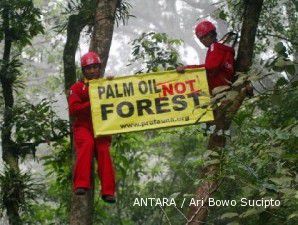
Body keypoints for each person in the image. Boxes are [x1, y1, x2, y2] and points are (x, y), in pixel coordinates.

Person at [67, 51, 116, 203]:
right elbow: (74, 109)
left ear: (99, 68)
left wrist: (111, 83)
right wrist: (93, 102)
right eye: (89, 68)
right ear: (83, 71)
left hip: (101, 126)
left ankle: (108, 192)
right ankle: (81, 184)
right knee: (86, 145)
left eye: (95, 67)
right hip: (83, 126)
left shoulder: (105, 84)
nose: (92, 71)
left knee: (103, 152)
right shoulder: (76, 88)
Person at [177, 20, 235, 95]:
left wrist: (187, 68)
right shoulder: (225, 50)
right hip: (228, 88)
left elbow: (210, 67)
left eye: (204, 36)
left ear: (212, 34)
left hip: (219, 90)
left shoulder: (214, 47)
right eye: (200, 39)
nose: (202, 40)